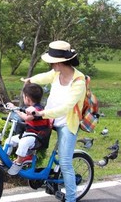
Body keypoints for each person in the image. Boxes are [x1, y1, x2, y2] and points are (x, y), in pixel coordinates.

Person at [23, 40, 86, 202]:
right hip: (49, 120)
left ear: (59, 62)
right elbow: (45, 77)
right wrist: (30, 80)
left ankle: (71, 199)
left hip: (66, 123)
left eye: (52, 62)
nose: (51, 65)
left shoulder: (79, 81)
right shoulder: (56, 73)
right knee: (29, 138)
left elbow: (66, 108)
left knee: (65, 162)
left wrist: (41, 113)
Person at [4, 83, 51, 175]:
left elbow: (27, 118)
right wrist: (11, 107)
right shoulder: (29, 108)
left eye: (24, 96)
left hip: (37, 137)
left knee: (23, 142)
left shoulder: (37, 109)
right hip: (28, 134)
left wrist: (15, 109)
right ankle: (5, 158)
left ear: (27, 98)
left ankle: (19, 162)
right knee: (9, 141)